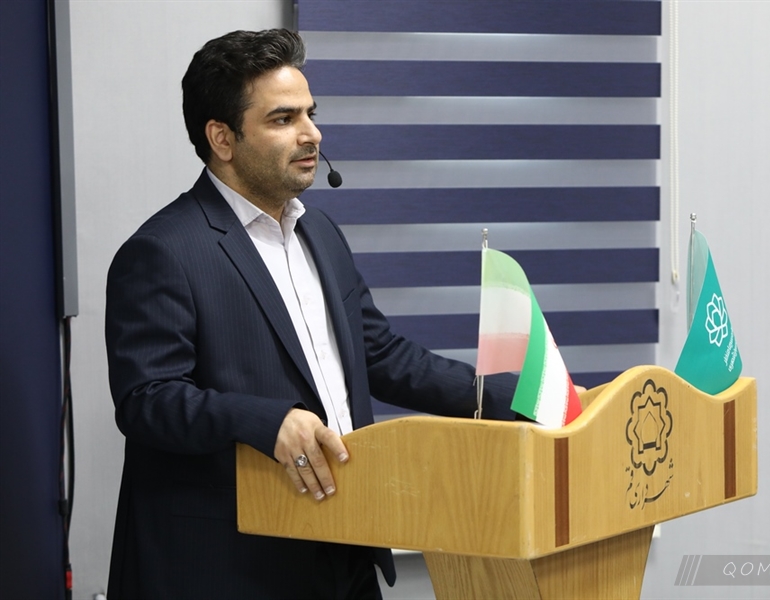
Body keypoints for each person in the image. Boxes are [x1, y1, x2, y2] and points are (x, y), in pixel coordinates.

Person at [104, 28, 517, 599]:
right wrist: (265, 420)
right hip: (235, 565)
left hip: (346, 545)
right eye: (283, 119)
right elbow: (147, 400)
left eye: (310, 114)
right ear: (222, 138)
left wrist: (510, 399)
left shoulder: (318, 231)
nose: (312, 134)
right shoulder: (163, 251)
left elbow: (379, 355)